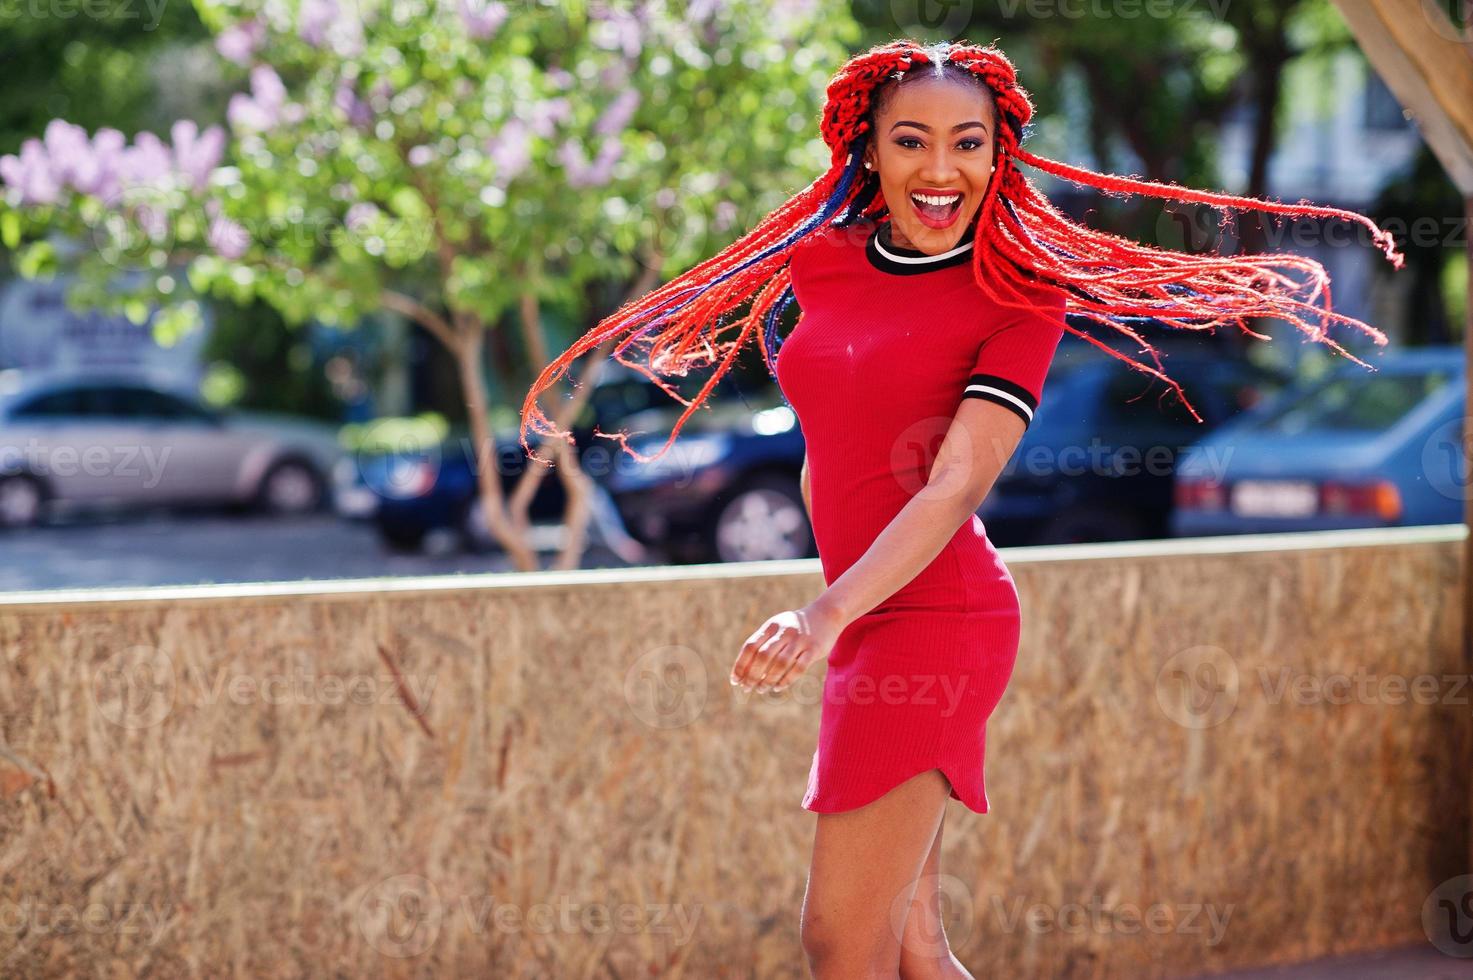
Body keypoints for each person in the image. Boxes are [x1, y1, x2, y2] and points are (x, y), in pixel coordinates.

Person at [519, 38, 1402, 979]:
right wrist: (840, 603)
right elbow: (830, 451)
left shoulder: (1017, 295)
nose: (940, 169)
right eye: (911, 140)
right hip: (867, 612)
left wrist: (824, 614)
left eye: (966, 143)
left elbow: (953, 487)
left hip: (940, 618)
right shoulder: (823, 265)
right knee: (911, 948)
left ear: (997, 155)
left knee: (839, 942)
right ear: (868, 151)